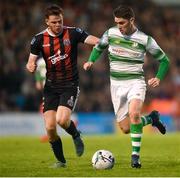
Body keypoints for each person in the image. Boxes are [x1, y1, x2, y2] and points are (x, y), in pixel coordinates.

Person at [83, 5, 170, 168]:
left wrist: (158, 78)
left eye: (122, 23)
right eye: (117, 23)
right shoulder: (110, 33)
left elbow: (165, 60)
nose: (119, 27)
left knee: (134, 113)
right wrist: (90, 61)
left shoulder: (145, 39)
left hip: (135, 82)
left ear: (132, 20)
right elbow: (99, 47)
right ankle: (152, 118)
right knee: (125, 128)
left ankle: (135, 157)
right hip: (116, 85)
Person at [26, 4, 99, 168]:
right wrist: (30, 66)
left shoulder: (73, 33)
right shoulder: (38, 40)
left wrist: (100, 43)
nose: (58, 25)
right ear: (47, 22)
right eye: (54, 22)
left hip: (70, 84)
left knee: (62, 119)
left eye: (60, 21)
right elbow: (31, 61)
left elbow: (94, 40)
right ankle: (61, 161)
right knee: (50, 128)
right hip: (50, 87)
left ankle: (75, 135)